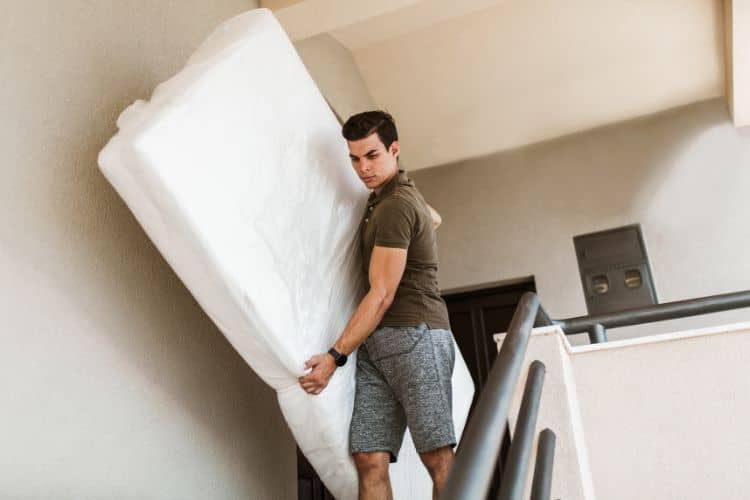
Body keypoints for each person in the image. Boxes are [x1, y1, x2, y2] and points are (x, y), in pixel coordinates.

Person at [299, 111, 456, 500]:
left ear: (395, 149)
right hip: (377, 348)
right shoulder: (391, 199)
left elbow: (382, 294)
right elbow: (433, 218)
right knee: (369, 458)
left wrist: (334, 357)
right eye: (354, 158)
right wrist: (417, 218)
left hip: (416, 338)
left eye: (371, 155)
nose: (363, 168)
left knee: (438, 460)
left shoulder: (394, 205)